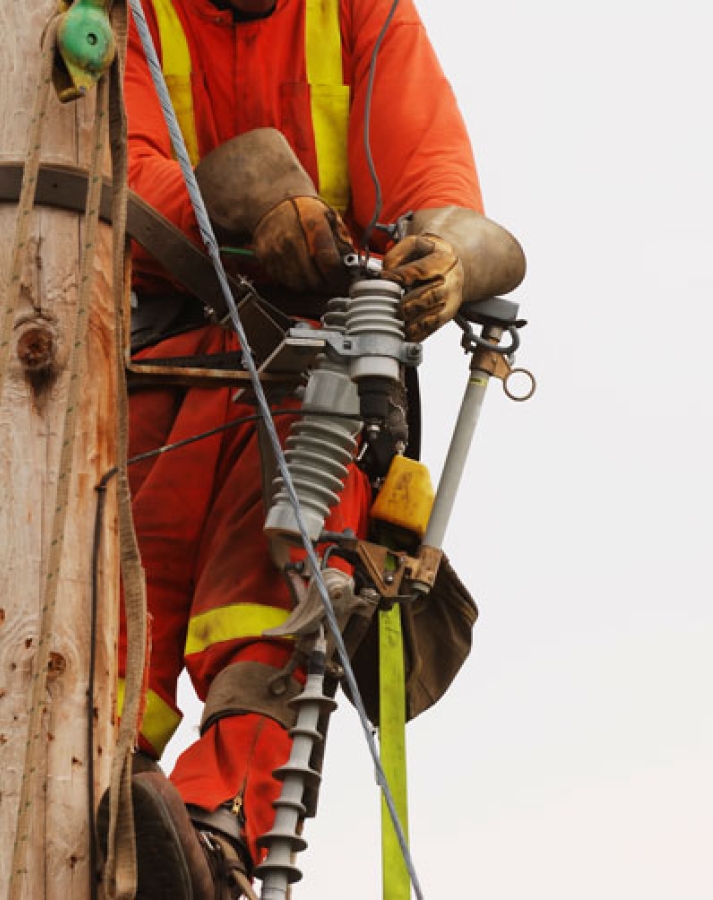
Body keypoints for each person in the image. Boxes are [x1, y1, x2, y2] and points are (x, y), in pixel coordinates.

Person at [114, 0, 526, 896]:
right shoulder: (123, 13)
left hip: (317, 370)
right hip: (146, 367)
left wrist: (445, 256)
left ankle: (215, 834)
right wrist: (250, 200)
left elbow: (434, 178)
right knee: (111, 623)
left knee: (276, 596)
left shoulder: (359, 13)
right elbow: (114, 163)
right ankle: (75, 809)